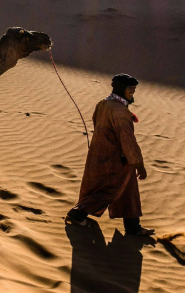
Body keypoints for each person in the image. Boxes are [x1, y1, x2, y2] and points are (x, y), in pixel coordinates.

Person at [65, 73, 154, 237]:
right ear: (121, 89)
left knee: (128, 190)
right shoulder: (119, 112)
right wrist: (138, 164)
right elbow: (127, 140)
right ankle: (77, 214)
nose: (133, 92)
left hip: (101, 155)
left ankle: (133, 227)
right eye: (130, 89)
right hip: (115, 160)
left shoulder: (104, 103)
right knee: (108, 190)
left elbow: (97, 122)